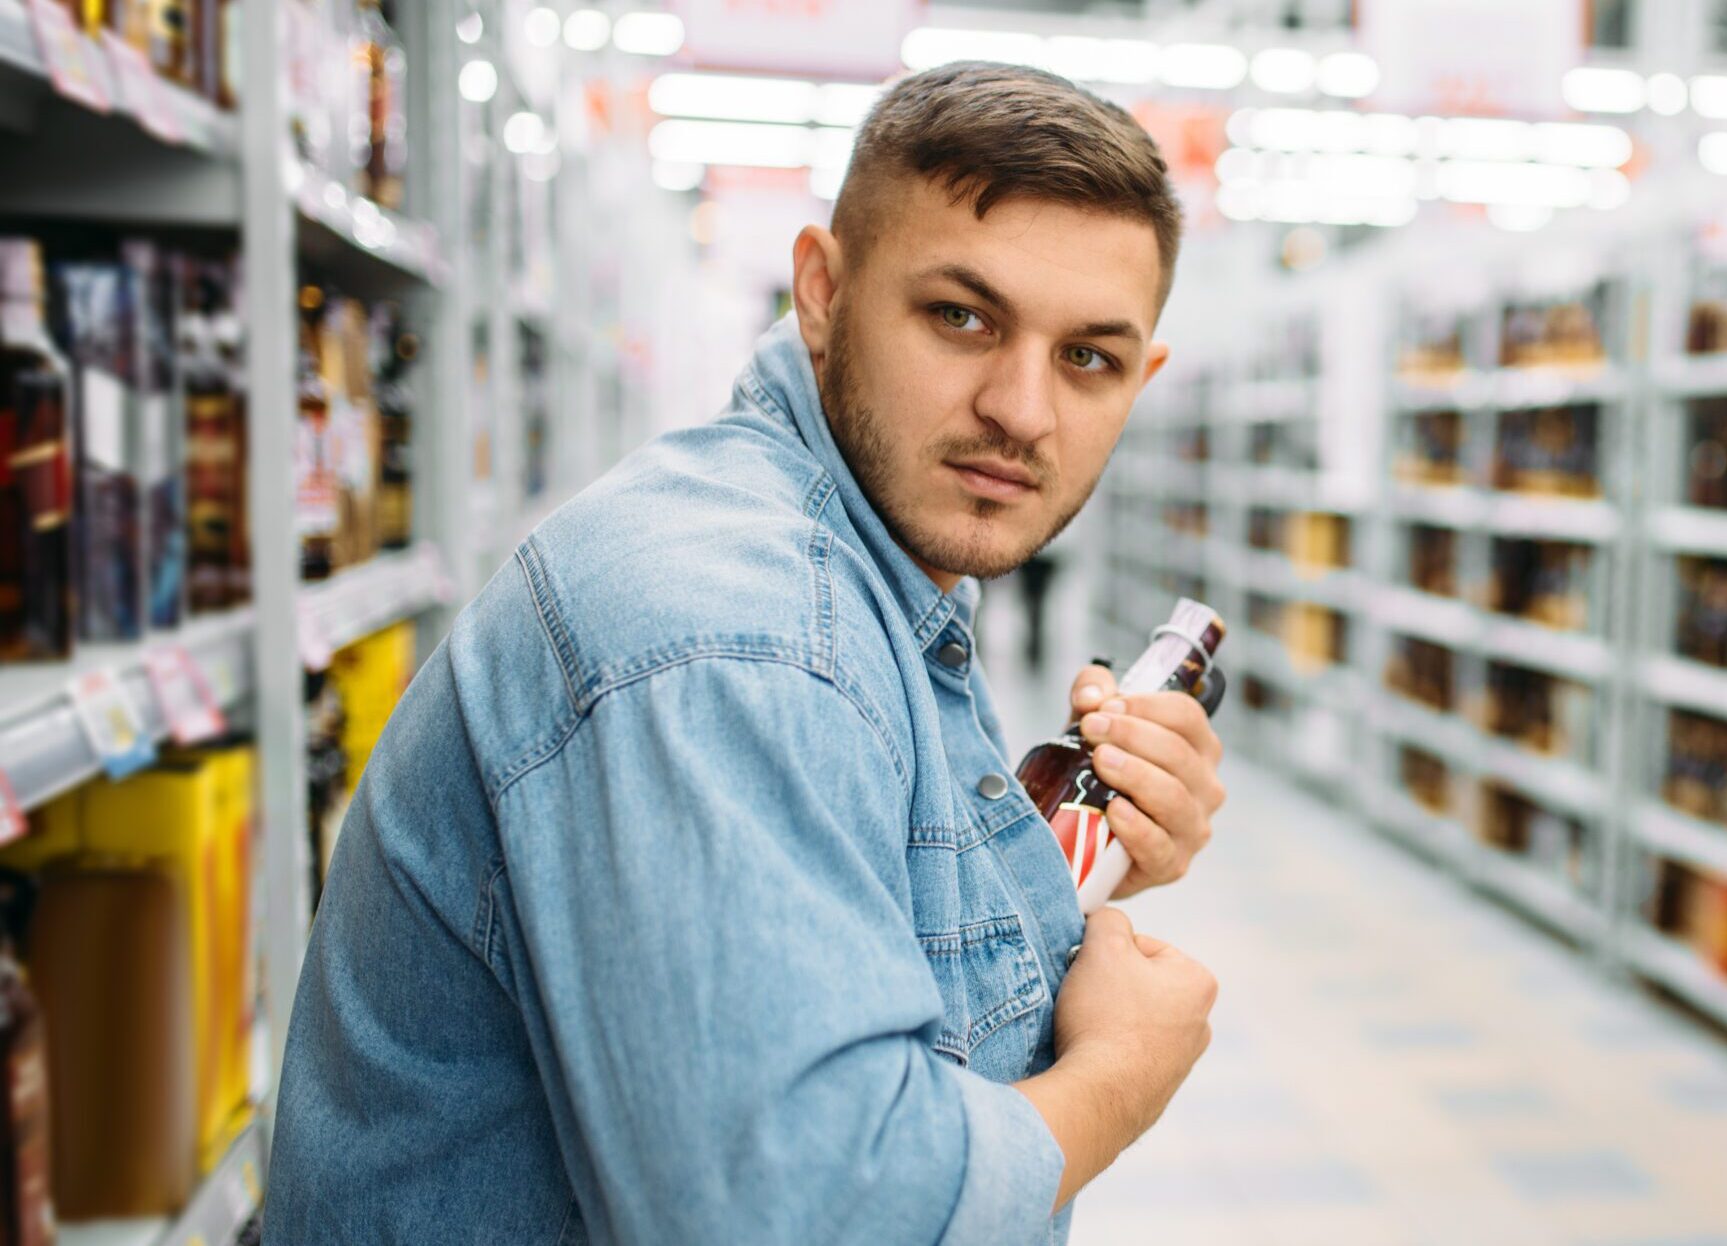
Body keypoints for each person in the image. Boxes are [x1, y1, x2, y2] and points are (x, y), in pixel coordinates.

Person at [266, 62, 1225, 1245]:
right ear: (821, 292)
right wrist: (1119, 1071)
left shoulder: (858, 565)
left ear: (1144, 378)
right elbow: (798, 1214)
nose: (1023, 409)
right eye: (961, 316)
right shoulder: (733, 635)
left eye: (1089, 357)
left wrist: (1068, 847)